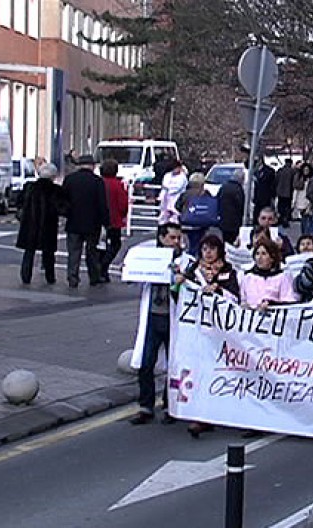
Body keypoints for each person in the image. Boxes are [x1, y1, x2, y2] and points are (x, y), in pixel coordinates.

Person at [178, 234, 241, 437]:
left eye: (212, 249)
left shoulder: (228, 271)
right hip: (196, 330)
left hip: (219, 332)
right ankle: (199, 415)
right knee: (198, 370)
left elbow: (236, 298)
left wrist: (218, 290)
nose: (208, 253)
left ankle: (216, 412)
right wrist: (179, 283)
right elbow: (180, 298)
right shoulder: (193, 271)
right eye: (205, 249)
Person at [129, 223, 184, 426]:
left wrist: (180, 279)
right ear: (161, 238)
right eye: (172, 238)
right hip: (153, 316)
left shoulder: (184, 261)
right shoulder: (150, 258)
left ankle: (171, 406)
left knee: (174, 365)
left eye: (178, 238)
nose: (176, 242)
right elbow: (135, 278)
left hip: (172, 317)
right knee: (146, 363)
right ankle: (146, 406)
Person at [63, 155, 109, 288]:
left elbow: (63, 200)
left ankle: (72, 277)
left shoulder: (70, 179)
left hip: (73, 221)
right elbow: (102, 204)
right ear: (92, 166)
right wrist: (105, 222)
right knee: (92, 252)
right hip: (92, 223)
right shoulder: (97, 181)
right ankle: (93, 276)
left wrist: (67, 214)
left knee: (73, 252)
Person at [16, 163, 66, 285]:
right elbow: (62, 208)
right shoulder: (55, 190)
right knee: (48, 253)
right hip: (48, 225)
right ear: (53, 176)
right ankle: (50, 277)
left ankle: (25, 276)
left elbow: (19, 202)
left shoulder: (29, 187)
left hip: (30, 224)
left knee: (29, 252)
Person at [239, 237, 299, 310]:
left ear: (272, 258)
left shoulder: (283, 277)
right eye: (257, 254)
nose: (259, 257)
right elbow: (243, 301)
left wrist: (272, 304)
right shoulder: (247, 277)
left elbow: (288, 300)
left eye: (264, 254)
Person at [98, 159, 129, 283]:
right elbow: (123, 204)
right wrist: (123, 214)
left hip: (99, 218)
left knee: (100, 244)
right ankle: (104, 267)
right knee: (115, 244)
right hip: (114, 219)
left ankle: (100, 268)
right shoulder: (118, 185)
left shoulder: (99, 183)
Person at [175, 173, 213, 257]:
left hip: (186, 223)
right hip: (200, 224)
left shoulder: (185, 194)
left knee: (188, 244)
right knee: (198, 244)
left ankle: (188, 258)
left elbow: (177, 206)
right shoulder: (205, 194)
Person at [217, 167, 246, 245]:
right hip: (234, 221)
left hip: (223, 220)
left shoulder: (224, 186)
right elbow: (241, 204)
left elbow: (217, 199)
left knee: (225, 240)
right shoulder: (238, 189)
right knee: (233, 241)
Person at [251, 157, 276, 223]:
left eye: (257, 161)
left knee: (266, 216)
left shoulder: (269, 171)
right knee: (257, 217)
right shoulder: (254, 171)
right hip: (257, 198)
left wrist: (272, 197)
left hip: (266, 198)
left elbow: (272, 185)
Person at [274, 159, 296, 227]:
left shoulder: (280, 170)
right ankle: (285, 219)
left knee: (280, 206)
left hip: (280, 192)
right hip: (288, 192)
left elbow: (276, 180)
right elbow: (294, 182)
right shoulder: (292, 171)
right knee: (287, 206)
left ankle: (280, 218)